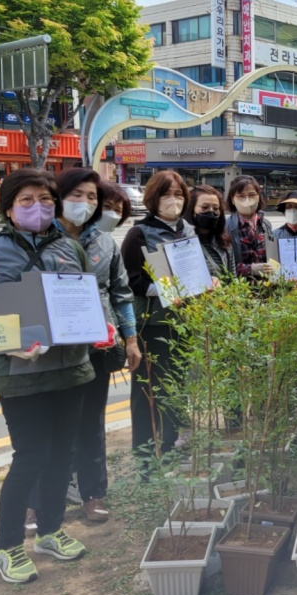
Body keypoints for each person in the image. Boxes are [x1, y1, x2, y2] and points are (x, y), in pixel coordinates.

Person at [0, 169, 93, 583]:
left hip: (71, 372)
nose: (39, 208)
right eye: (27, 200)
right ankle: (7, 546)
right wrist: (4, 341)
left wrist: (95, 326)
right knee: (30, 456)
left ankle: (50, 531)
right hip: (19, 376)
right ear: (10, 208)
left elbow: (86, 296)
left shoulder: (71, 248)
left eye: (46, 200)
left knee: (62, 455)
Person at [47, 168, 140, 525]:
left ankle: (93, 494)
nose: (84, 203)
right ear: (58, 196)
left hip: (98, 350)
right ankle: (37, 500)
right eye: (77, 196)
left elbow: (121, 294)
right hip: (51, 352)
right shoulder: (39, 237)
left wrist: (130, 339)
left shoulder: (103, 242)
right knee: (47, 427)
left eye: (91, 198)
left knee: (91, 425)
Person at [120, 171, 196, 468]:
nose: (174, 201)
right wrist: (165, 290)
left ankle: (170, 445)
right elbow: (129, 281)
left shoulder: (187, 229)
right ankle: (145, 455)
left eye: (179, 194)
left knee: (176, 387)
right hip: (152, 324)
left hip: (183, 322)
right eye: (166, 194)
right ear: (153, 198)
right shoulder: (139, 233)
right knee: (148, 391)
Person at [226, 175, 275, 279]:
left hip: (266, 287)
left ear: (258, 197)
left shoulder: (265, 224)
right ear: (233, 199)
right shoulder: (227, 228)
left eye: (252, 195)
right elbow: (225, 265)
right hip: (241, 289)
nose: (247, 200)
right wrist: (250, 269)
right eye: (241, 196)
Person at [186, 185, 234, 277]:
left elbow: (233, 277)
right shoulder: (184, 244)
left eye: (216, 208)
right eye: (205, 207)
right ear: (191, 209)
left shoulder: (225, 242)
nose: (211, 211)